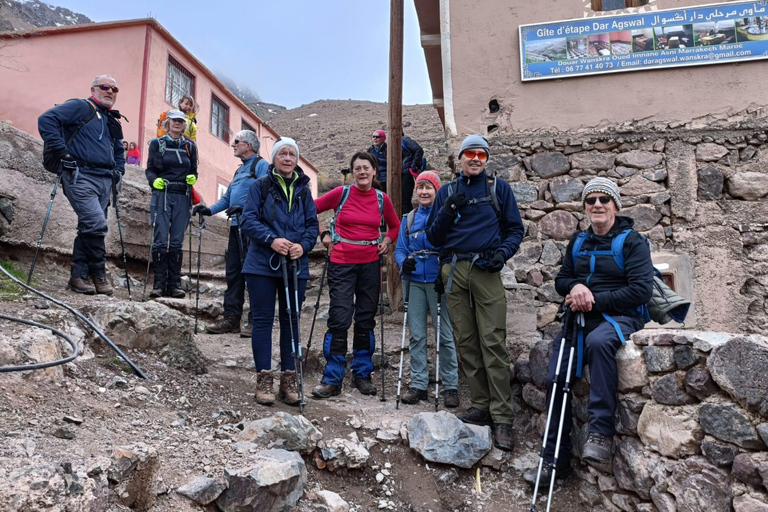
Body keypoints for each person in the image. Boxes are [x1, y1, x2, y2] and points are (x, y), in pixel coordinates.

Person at [522, 177, 653, 487]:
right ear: (584, 207)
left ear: (615, 205)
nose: (597, 204)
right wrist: (576, 286)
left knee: (599, 341)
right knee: (556, 378)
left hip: (620, 318)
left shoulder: (632, 242)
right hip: (579, 319)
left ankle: (600, 432)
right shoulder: (579, 241)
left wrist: (592, 300)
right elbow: (561, 280)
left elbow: (640, 291)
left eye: (604, 200)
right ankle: (554, 461)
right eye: (591, 200)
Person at [426, 134, 525, 452]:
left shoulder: (499, 189)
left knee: (493, 341)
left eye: (481, 155)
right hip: (454, 270)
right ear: (460, 158)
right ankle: (481, 406)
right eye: (469, 153)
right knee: (466, 341)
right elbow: (432, 237)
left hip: (486, 270)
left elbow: (515, 229)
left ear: (486, 160)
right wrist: (446, 210)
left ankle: (503, 417)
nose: (475, 159)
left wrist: (503, 253)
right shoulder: (446, 193)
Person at [312, 152, 400, 398]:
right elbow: (310, 209)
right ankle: (332, 378)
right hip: (340, 263)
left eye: (366, 168)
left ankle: (362, 375)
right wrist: (323, 235)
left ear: (374, 172)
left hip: (370, 265)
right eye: (357, 169)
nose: (362, 172)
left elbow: (395, 225)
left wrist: (388, 240)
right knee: (339, 318)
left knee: (365, 318)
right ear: (353, 173)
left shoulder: (382, 199)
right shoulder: (342, 194)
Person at [239, 138, 318, 406]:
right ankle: (264, 381)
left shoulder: (305, 191)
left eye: (292, 154)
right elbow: (247, 220)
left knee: (291, 320)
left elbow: (312, 226)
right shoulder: (259, 186)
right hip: (262, 263)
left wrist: (303, 246)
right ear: (274, 158)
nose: (287, 158)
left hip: (295, 264)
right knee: (262, 320)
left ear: (297, 160)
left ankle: (289, 380)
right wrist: (271, 239)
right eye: (282, 154)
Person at [38, 74, 126, 295]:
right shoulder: (80, 106)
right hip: (80, 175)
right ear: (93, 89)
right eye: (105, 87)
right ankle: (99, 274)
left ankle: (78, 276)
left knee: (89, 226)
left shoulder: (111, 119)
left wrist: (119, 170)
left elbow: (118, 149)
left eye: (115, 89)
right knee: (96, 223)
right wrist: (62, 152)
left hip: (105, 179)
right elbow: (46, 120)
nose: (110, 92)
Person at [193, 130, 269, 337]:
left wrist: (246, 210)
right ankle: (231, 319)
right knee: (234, 273)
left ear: (249, 145)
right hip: (236, 226)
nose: (233, 145)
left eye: (237, 141)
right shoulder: (240, 170)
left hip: (252, 228)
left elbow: (267, 194)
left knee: (253, 273)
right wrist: (208, 210)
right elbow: (228, 199)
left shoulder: (260, 165)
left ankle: (256, 321)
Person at [394, 171, 460, 407]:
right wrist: (403, 263)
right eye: (420, 187)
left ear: (437, 191)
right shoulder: (408, 219)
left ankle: (450, 385)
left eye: (428, 187)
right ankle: (419, 383)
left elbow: (451, 245)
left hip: (438, 281)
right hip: (414, 282)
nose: (423, 191)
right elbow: (400, 249)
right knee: (417, 335)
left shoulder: (444, 216)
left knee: (445, 334)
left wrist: (444, 270)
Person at [145, 109, 198, 298]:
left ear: (185, 125)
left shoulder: (190, 147)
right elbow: (150, 169)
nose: (177, 123)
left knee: (176, 239)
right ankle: (159, 284)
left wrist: (193, 178)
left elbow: (194, 170)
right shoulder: (156, 144)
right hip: (162, 194)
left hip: (182, 194)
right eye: (174, 121)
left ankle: (174, 284)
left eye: (180, 121)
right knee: (160, 237)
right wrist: (154, 182)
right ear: (167, 123)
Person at [400, 135, 424, 215]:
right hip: (399, 174)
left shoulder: (404, 139)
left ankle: (408, 223)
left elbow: (419, 150)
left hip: (407, 173)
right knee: (402, 200)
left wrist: (414, 165)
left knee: (405, 201)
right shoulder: (393, 142)